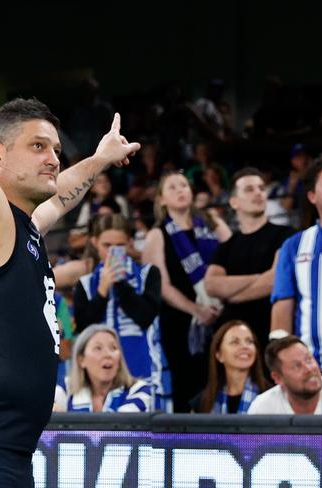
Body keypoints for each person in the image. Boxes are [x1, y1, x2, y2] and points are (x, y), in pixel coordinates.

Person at [0, 1, 139, 486]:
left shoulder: (24, 225)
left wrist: (97, 159)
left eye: (55, 148)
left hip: (2, 453)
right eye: (38, 147)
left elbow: (61, 197)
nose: (53, 158)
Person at [142, 170, 231, 412]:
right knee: (188, 387)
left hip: (221, 315)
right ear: (161, 199)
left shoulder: (212, 223)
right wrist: (198, 311)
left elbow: (236, 255)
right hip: (181, 324)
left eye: (184, 185)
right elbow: (161, 286)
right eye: (172, 187)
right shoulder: (156, 235)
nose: (181, 190)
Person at [72, 213, 171, 410]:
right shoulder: (84, 284)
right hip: (100, 379)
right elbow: (83, 329)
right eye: (107, 245)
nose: (113, 252)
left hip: (145, 371)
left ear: (129, 243)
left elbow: (145, 317)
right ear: (95, 242)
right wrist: (102, 290)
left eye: (119, 246)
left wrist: (120, 284)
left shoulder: (148, 274)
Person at [271, 155, 322, 377]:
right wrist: (281, 362)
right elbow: (283, 306)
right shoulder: (294, 246)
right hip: (310, 368)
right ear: (312, 196)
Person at [204, 168, 294, 351]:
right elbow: (212, 285)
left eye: (261, 188)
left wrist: (231, 296)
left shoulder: (286, 235)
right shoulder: (227, 246)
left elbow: (275, 281)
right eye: (249, 189)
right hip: (233, 340)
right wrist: (259, 277)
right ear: (234, 202)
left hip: (272, 337)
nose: (259, 193)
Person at [57, 325, 153, 412]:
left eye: (113, 348)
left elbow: (121, 426)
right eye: (98, 348)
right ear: (81, 359)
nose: (108, 354)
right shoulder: (66, 388)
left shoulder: (140, 390)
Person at [248, 336, 322, 414]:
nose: (309, 369)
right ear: (278, 378)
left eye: (309, 360)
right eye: (297, 366)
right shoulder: (261, 409)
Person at [192, 320, 268, 413]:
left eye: (249, 341)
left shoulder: (272, 396)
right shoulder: (202, 403)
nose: (245, 346)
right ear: (219, 355)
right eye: (235, 342)